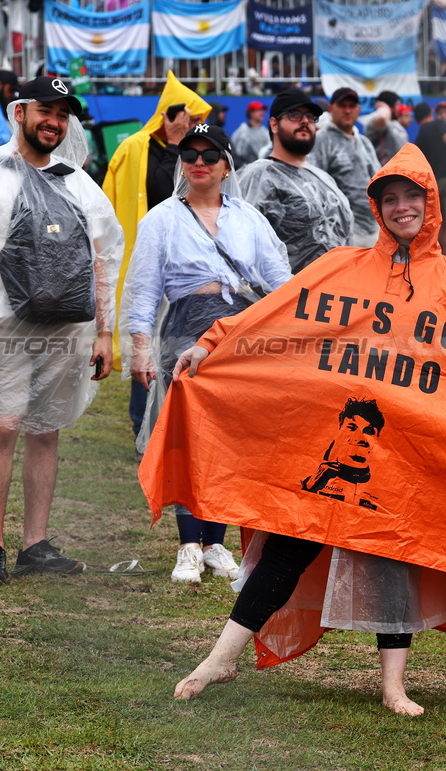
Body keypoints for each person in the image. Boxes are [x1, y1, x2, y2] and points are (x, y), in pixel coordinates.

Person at [152, 143, 446, 715]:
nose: (402, 208)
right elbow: (277, 312)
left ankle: (393, 684)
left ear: (431, 205)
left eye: (413, 197)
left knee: (395, 553)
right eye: (390, 199)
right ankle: (222, 655)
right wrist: (212, 343)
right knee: (292, 536)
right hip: (335, 437)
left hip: (406, 451)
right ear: (377, 209)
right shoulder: (343, 267)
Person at [0, 77, 123, 585]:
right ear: (19, 112)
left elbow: (101, 261)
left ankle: (34, 544)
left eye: (63, 114)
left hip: (67, 328)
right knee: (5, 425)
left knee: (46, 429)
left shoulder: (78, 183)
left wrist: (105, 333)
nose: (53, 121)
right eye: (45, 110)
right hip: (6, 325)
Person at [123, 123, 291, 582]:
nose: (199, 161)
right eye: (189, 153)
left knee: (230, 439)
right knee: (189, 438)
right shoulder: (161, 219)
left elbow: (280, 283)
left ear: (226, 163)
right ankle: (188, 544)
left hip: (240, 336)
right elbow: (142, 291)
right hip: (183, 332)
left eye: (209, 154)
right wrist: (139, 349)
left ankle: (216, 542)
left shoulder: (249, 218)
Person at [102, 73, 212, 437]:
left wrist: (183, 143)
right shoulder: (134, 148)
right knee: (145, 336)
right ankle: (142, 422)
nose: (196, 126)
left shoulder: (197, 155)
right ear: (171, 114)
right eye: (191, 118)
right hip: (146, 258)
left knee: (182, 340)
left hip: (187, 265)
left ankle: (179, 423)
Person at [236, 90, 354, 274]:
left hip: (335, 292)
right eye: (295, 115)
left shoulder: (324, 178)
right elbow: (242, 249)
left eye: (310, 116)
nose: (305, 121)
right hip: (289, 295)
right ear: (274, 125)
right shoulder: (260, 175)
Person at [309, 88, 382, 248]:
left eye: (351, 106)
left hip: (373, 229)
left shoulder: (365, 143)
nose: (347, 110)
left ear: (358, 109)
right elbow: (313, 188)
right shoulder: (321, 141)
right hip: (341, 232)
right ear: (331, 109)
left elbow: (378, 181)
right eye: (342, 106)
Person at [414, 101, 446, 258]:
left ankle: (443, 257)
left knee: (442, 224)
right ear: (431, 114)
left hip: (434, 183)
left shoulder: (419, 136)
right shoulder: (438, 124)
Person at [230, 100, 271, 171]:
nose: (262, 112)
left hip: (264, 170)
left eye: (262, 110)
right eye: (259, 110)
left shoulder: (265, 131)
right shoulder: (243, 131)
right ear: (251, 113)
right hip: (246, 171)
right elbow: (238, 155)